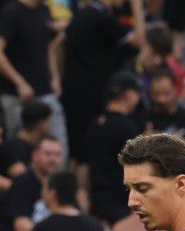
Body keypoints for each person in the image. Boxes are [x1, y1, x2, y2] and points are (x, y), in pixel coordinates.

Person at [61, 0, 142, 166]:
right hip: (92, 97)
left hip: (75, 92)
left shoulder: (83, 14)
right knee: (85, 156)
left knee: (79, 154)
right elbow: (139, 40)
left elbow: (57, 45)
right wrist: (137, 6)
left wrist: (56, 77)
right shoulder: (100, 17)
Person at [0, 0, 67, 152]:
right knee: (19, 149)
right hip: (18, 98)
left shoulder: (44, 10)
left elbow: (48, 47)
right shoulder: (11, 12)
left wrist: (55, 77)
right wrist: (19, 82)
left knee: (57, 149)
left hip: (45, 93)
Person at [88, 72, 144, 223]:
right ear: (130, 94)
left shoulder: (96, 124)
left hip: (98, 200)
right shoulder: (126, 127)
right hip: (121, 202)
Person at [0, 134, 63, 231]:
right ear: (35, 155)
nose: (53, 159)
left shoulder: (62, 184)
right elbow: (21, 227)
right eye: (48, 154)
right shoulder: (23, 182)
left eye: (57, 155)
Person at [146, 69, 185, 155]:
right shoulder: (146, 118)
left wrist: (180, 142)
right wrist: (144, 141)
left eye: (166, 93)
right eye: (157, 94)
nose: (161, 99)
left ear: (175, 90)